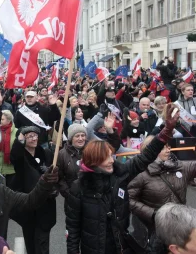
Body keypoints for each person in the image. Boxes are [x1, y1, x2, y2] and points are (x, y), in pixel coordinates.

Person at [65, 103, 179, 254]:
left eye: (111, 156)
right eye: (106, 158)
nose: (112, 161)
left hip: (120, 247)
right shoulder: (78, 187)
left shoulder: (120, 174)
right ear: (94, 161)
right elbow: (72, 230)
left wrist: (165, 132)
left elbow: (144, 157)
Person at [128, 135, 196, 251]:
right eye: (163, 147)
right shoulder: (140, 173)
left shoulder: (179, 166)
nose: (168, 149)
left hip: (178, 228)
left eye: (168, 146)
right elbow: (129, 199)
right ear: (151, 150)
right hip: (153, 230)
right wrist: (153, 214)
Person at [10, 126, 56, 254]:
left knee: (43, 241)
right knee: (30, 241)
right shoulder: (21, 156)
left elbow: (56, 175)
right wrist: (19, 141)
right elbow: (15, 156)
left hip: (46, 205)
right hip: (28, 204)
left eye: (35, 135)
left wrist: (54, 186)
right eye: (30, 136)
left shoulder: (46, 153)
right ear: (23, 139)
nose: (34, 138)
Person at [57, 114, 120, 199]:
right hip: (73, 195)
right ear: (71, 138)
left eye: (83, 135)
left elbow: (113, 147)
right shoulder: (62, 154)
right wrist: (68, 193)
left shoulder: (92, 149)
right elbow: (60, 177)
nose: (81, 139)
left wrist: (110, 130)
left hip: (93, 194)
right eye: (77, 136)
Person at [0, 110, 17, 188]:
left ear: (9, 120)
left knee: (10, 191)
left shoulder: (17, 132)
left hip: (10, 168)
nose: (0, 121)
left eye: (2, 119)